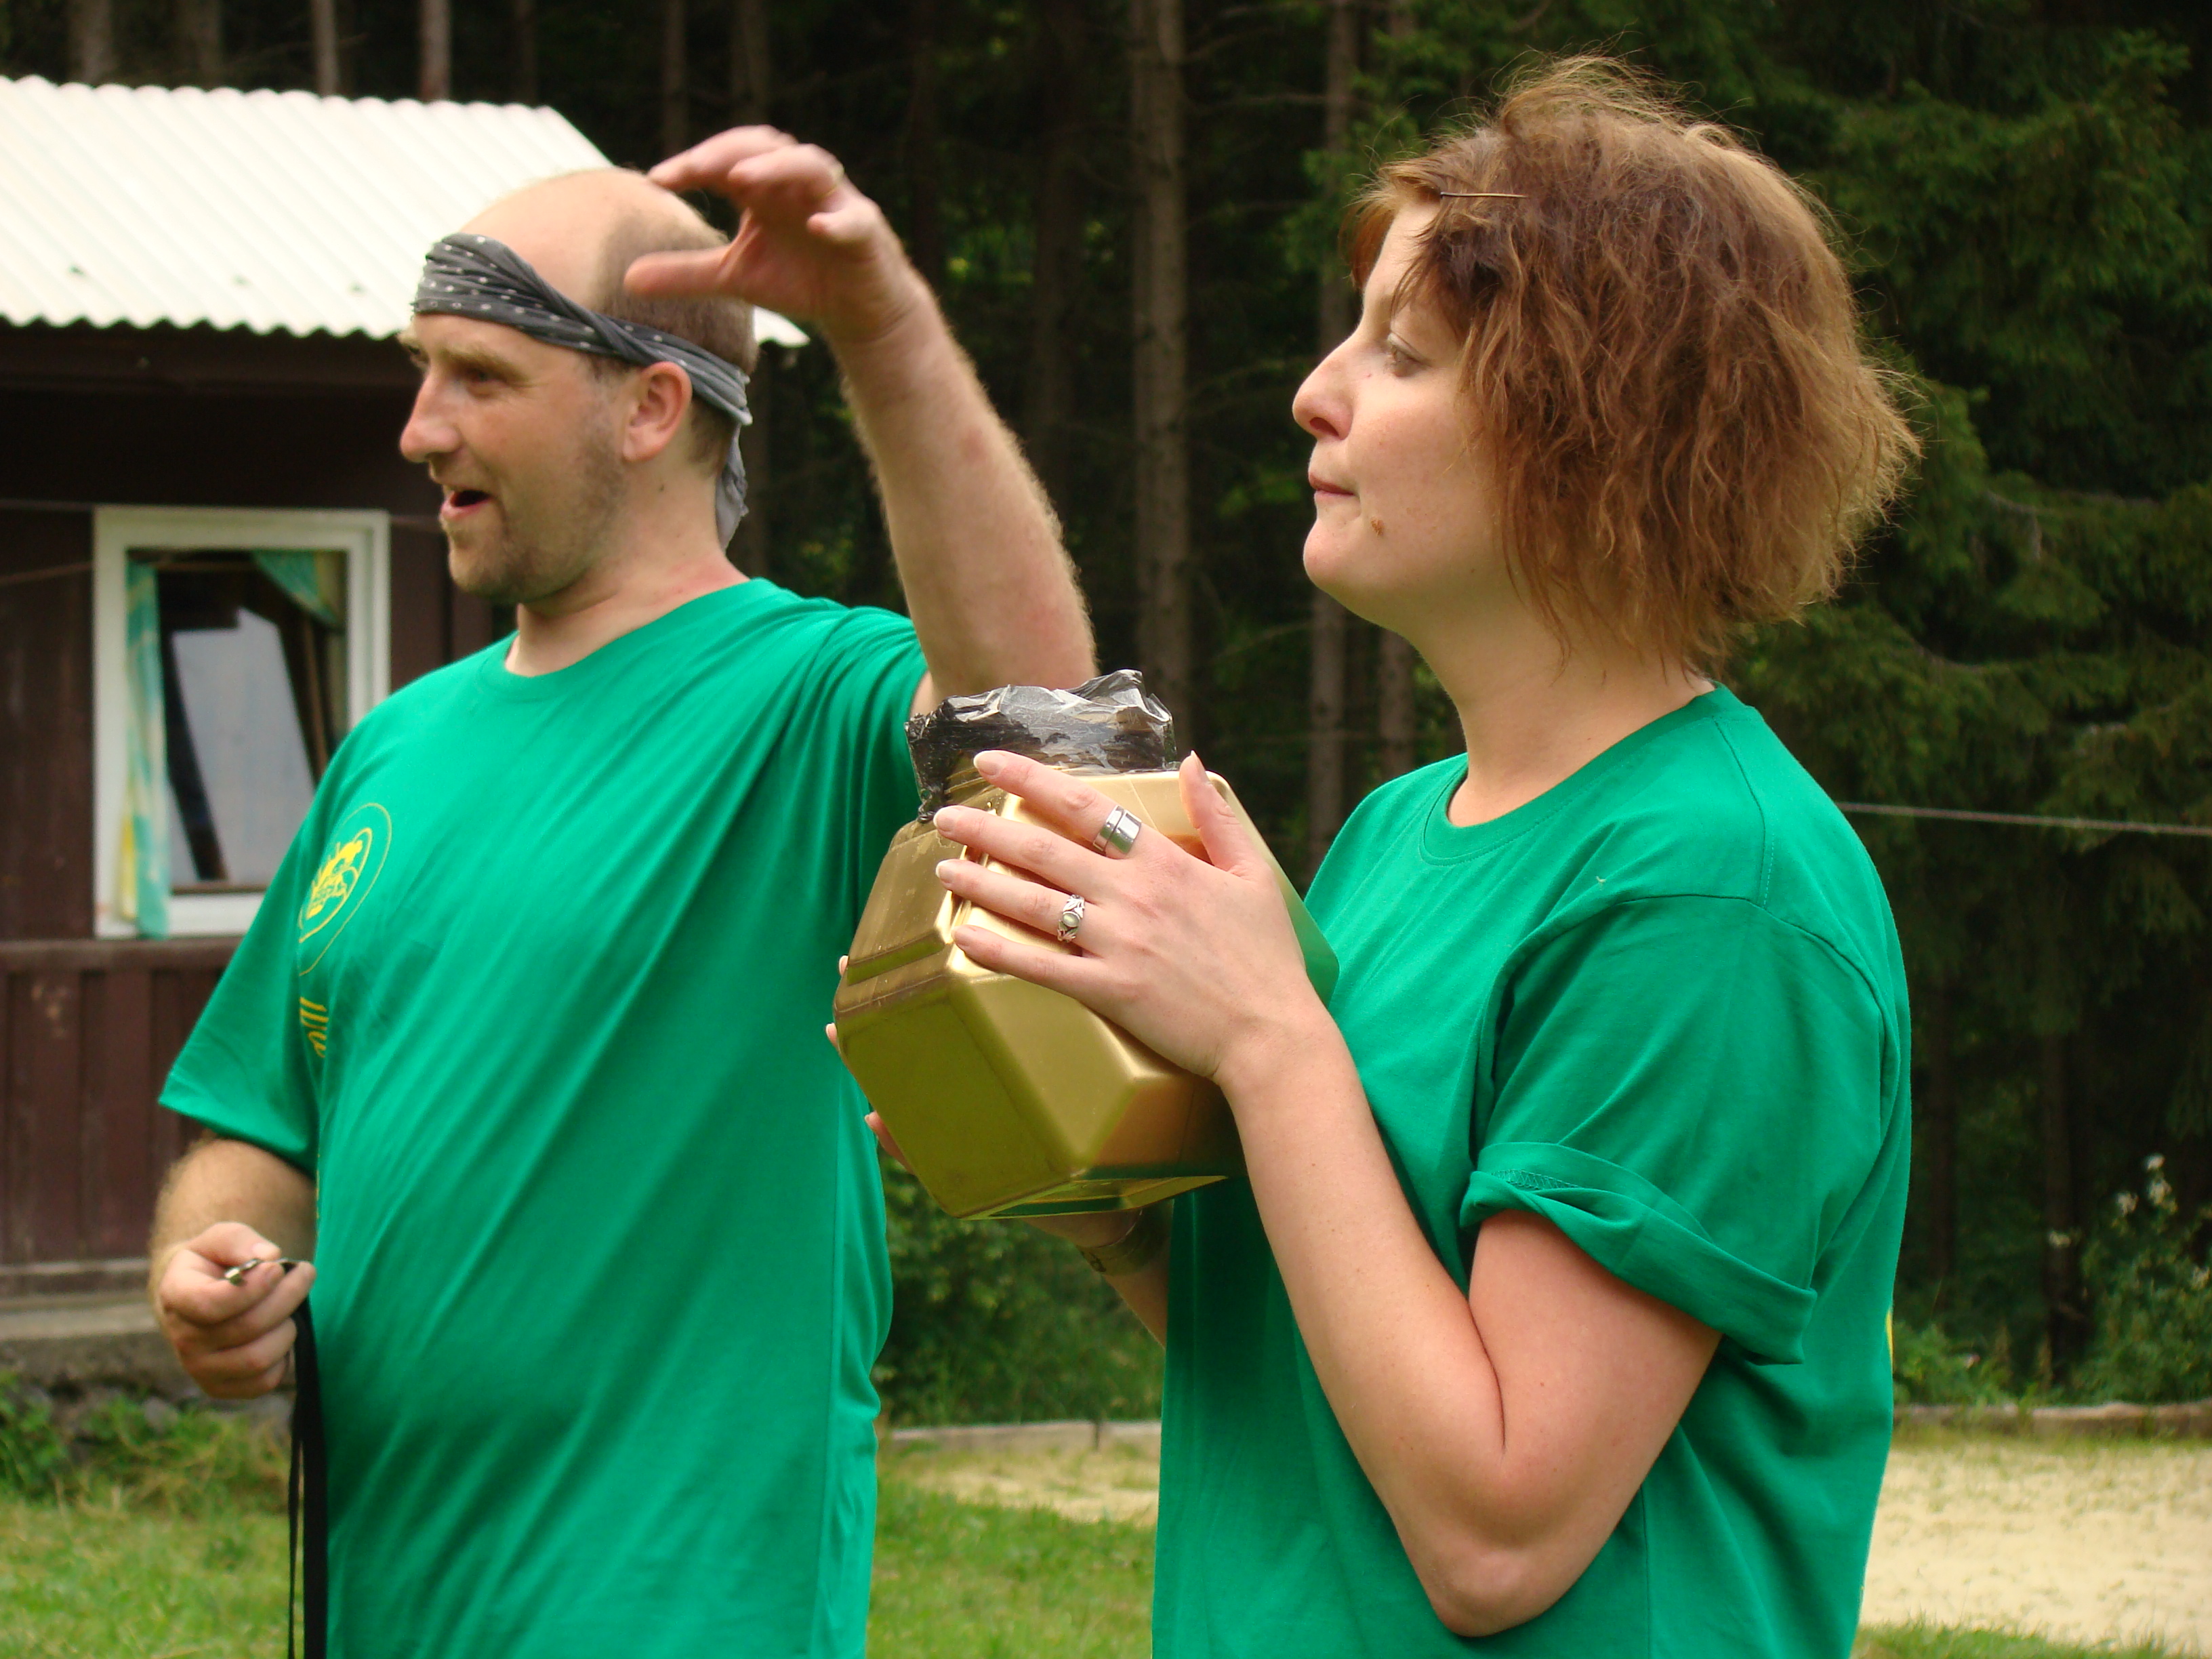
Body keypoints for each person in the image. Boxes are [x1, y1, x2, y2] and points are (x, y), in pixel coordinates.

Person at [911, 58, 1918, 1658]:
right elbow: (1308, 1373)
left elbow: (1497, 1533)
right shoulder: (1399, 831)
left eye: (1402, 353)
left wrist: (1264, 1034)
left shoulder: (1709, 892)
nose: (1317, 393)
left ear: (1593, 428)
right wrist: (1091, 1194)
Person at [147, 140, 1091, 1656]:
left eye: (479, 377)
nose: (419, 428)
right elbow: (265, 1126)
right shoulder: (394, 747)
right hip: (390, 1602)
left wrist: (883, 325)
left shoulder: (801, 698)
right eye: (421, 370)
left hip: (676, 1605)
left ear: (652, 408)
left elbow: (1036, 712)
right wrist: (208, 1264)